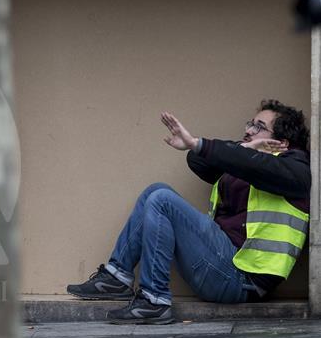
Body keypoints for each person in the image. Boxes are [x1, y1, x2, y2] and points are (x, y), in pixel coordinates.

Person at [67, 101, 311, 324]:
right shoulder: (246, 160)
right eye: (250, 124)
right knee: (156, 190)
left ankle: (154, 299)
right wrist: (247, 147)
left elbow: (259, 166)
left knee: (162, 200)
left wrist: (203, 144)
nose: (249, 130)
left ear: (282, 142)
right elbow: (199, 162)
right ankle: (117, 276)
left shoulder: (293, 170)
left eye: (260, 127)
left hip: (242, 280)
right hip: (220, 264)